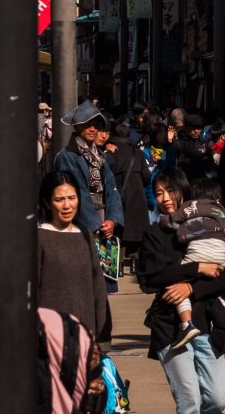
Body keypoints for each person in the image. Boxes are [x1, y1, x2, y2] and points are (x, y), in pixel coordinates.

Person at [138, 166, 225, 414]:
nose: (165, 199)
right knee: (188, 398)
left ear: (184, 192)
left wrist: (191, 288)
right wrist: (197, 267)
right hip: (170, 327)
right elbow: (151, 277)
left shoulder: (209, 224)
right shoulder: (154, 234)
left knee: (217, 398)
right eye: (158, 193)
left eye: (170, 192)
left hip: (208, 322)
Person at [36, 171, 112, 353]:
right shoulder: (39, 237)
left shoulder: (84, 234)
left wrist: (102, 337)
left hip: (86, 337)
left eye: (72, 198)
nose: (67, 205)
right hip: (51, 339)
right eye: (59, 199)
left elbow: (98, 288)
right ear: (47, 202)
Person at [46, 101, 123, 247]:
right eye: (87, 124)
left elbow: (112, 188)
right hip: (80, 219)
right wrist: (97, 225)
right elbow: (77, 192)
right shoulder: (67, 156)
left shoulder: (100, 155)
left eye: (96, 125)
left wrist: (113, 219)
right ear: (76, 126)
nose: (93, 129)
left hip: (103, 216)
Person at [107, 118, 151, 255]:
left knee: (118, 233)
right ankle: (133, 263)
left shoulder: (111, 154)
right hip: (137, 198)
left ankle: (117, 267)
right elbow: (147, 176)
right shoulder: (138, 153)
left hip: (118, 199)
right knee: (136, 234)